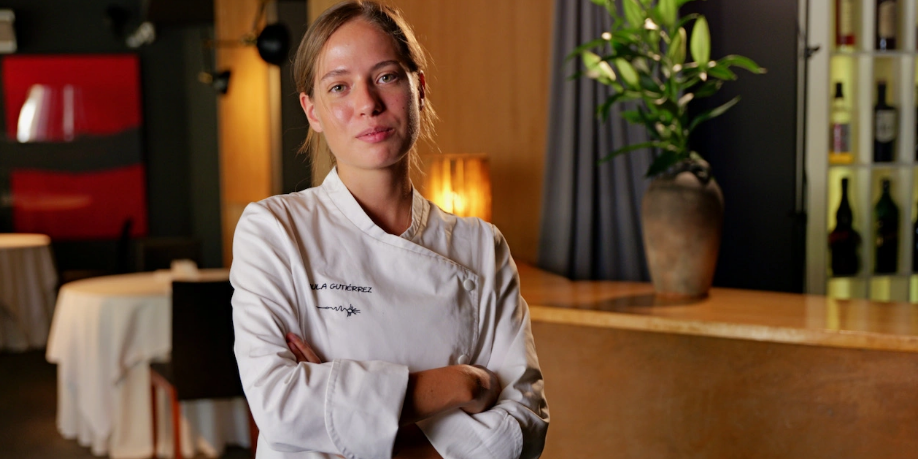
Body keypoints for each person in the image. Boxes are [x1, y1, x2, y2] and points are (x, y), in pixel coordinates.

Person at [229, 1, 549, 458]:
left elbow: (523, 427)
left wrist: (349, 415)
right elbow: (280, 406)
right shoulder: (275, 230)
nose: (368, 104)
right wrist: (462, 384)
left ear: (420, 89)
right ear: (312, 111)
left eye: (386, 76)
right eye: (339, 87)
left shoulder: (481, 246)